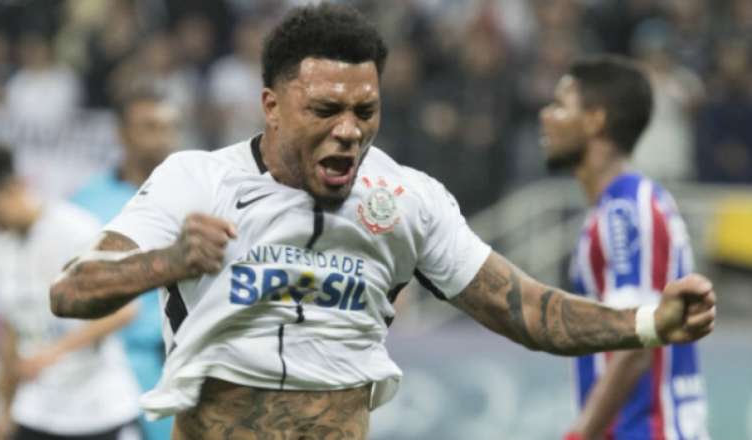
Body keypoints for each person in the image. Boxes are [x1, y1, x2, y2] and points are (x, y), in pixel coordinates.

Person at [49, 4, 716, 439]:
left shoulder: (406, 201)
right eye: (325, 111)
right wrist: (169, 261)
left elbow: (527, 311)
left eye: (365, 111)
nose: (349, 131)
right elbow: (71, 289)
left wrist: (649, 322)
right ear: (271, 106)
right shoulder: (196, 180)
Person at [539, 55, 710, 439]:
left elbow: (636, 342)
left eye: (560, 105)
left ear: (595, 120)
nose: (545, 115)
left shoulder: (626, 211)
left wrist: (580, 434)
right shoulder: (619, 208)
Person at [0, 145, 141, 440]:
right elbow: (12, 325)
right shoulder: (0, 246)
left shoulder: (75, 230)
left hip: (98, 408)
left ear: (15, 187)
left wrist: (54, 352)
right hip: (37, 409)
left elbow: (125, 310)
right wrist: (5, 409)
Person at [70, 89, 179, 440]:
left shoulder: (198, 197)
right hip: (108, 366)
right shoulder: (86, 204)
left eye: (168, 127)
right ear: (122, 134)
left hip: (179, 365)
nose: (162, 138)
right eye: (149, 127)